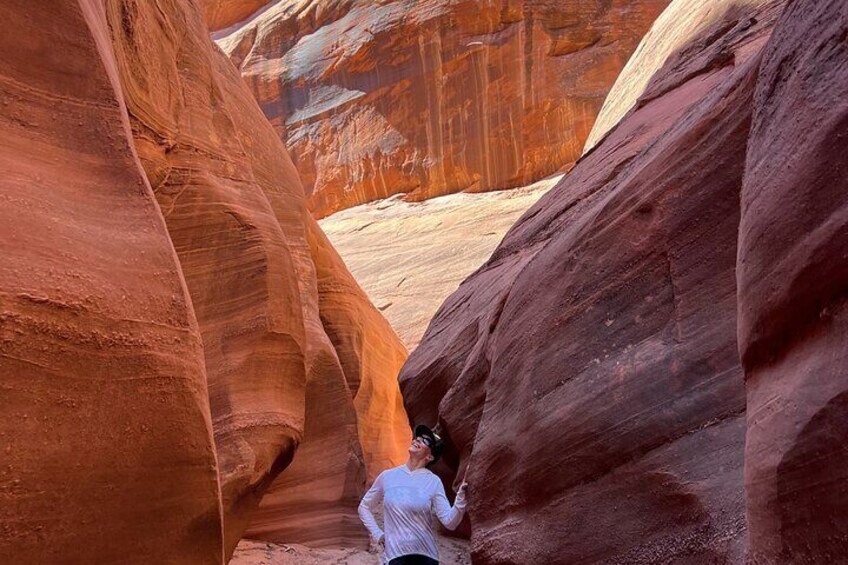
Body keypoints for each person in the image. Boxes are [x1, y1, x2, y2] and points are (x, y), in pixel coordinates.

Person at [358, 424, 468, 565]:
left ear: (430, 456)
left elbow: (450, 522)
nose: (417, 440)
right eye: (418, 437)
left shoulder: (433, 482)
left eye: (425, 441)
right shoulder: (387, 477)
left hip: (426, 557)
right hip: (395, 557)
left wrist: (461, 498)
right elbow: (364, 507)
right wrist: (378, 535)